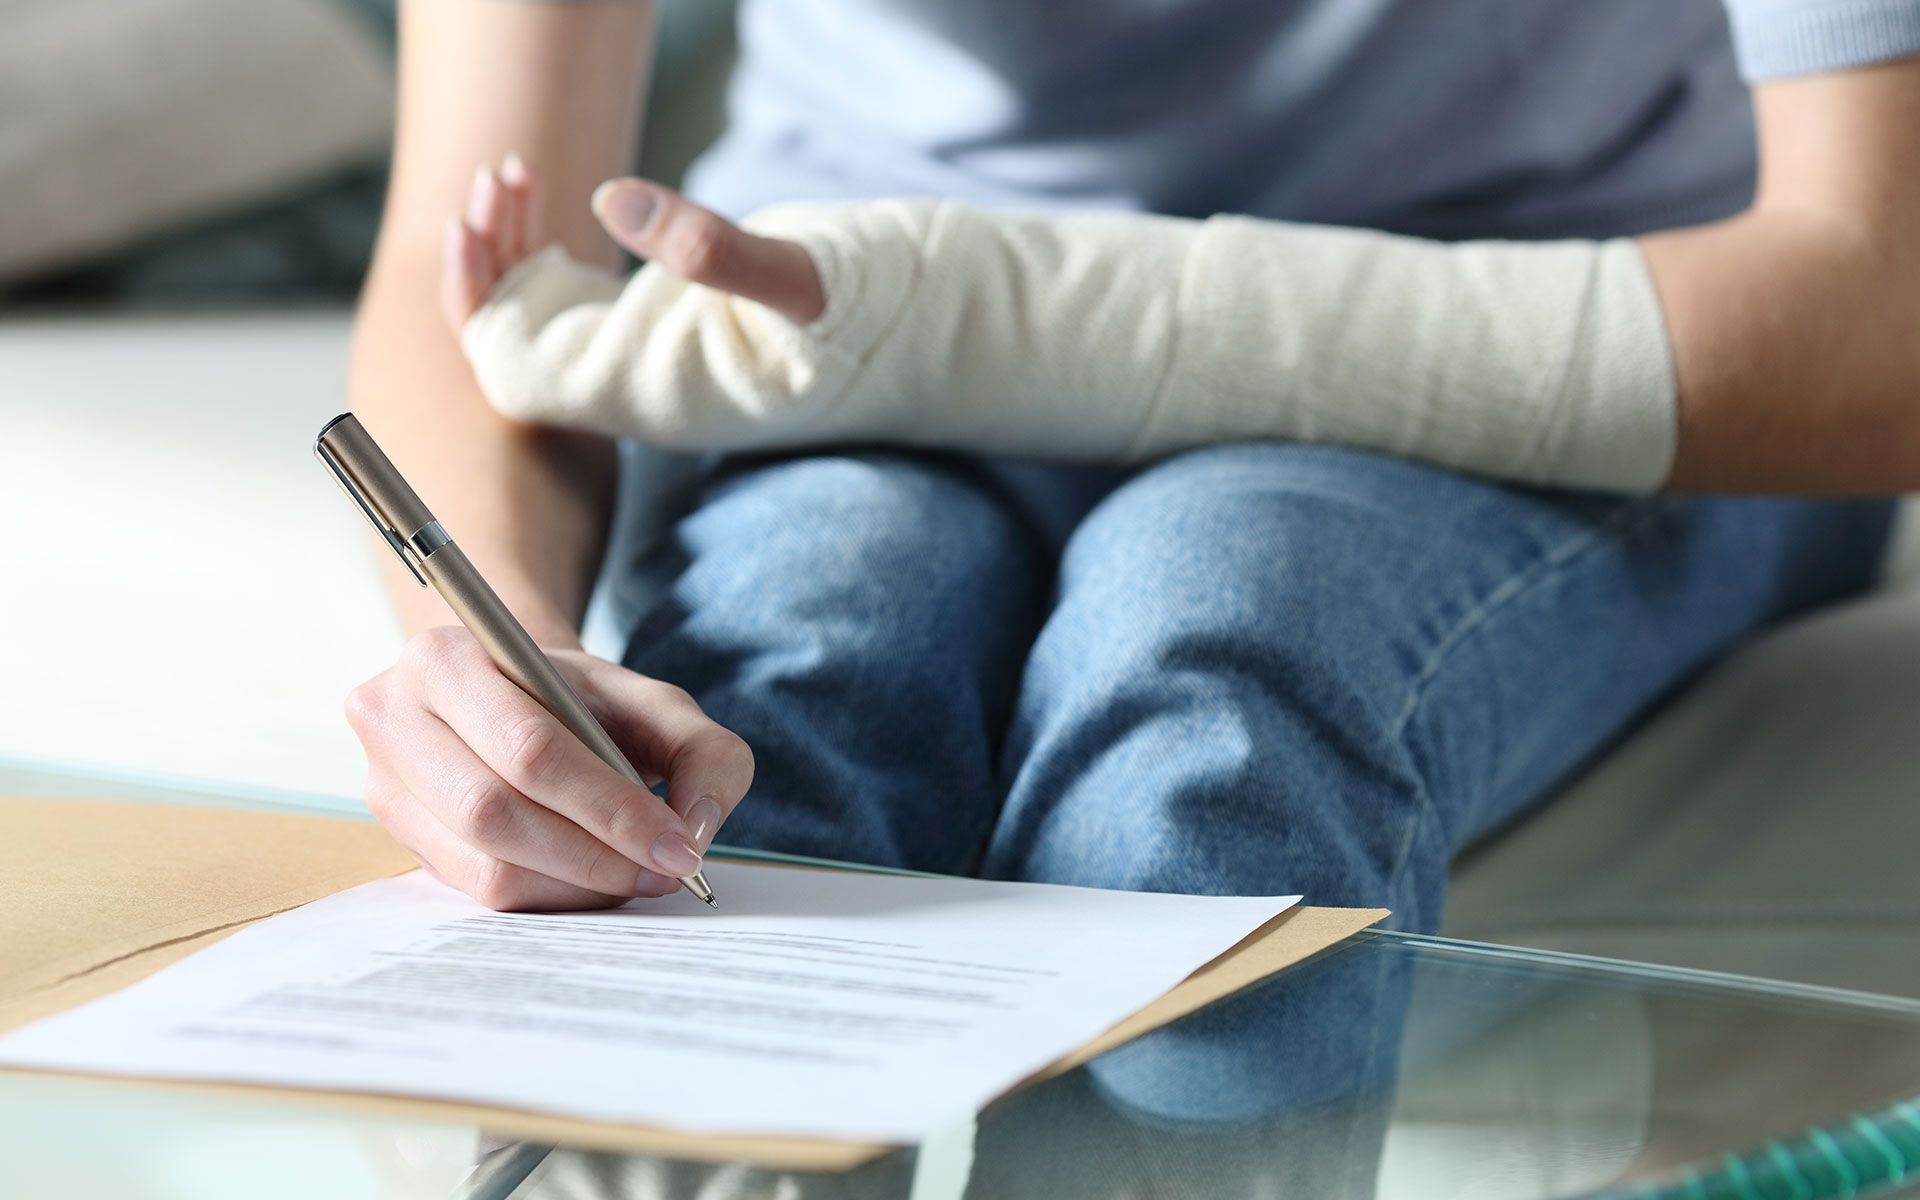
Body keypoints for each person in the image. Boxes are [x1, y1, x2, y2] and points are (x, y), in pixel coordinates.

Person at [345, 0, 1913, 937]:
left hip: (1602, 335)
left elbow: (1885, 305)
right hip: (832, 329)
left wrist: (1011, 323)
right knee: (769, 713)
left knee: (1219, 682)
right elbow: (481, 252)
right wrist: (504, 665)